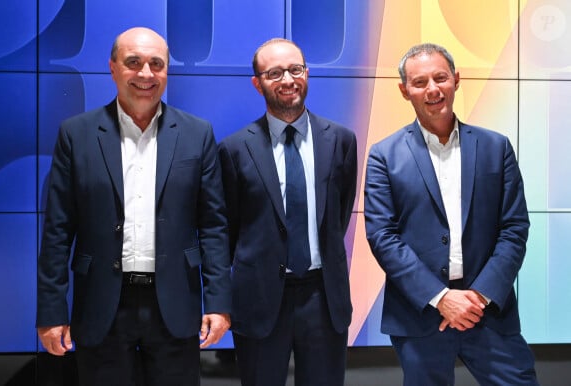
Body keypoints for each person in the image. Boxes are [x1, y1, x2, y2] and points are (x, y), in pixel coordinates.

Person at [36, 27, 232, 386]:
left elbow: (214, 227)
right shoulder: (76, 134)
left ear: (167, 71)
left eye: (156, 64)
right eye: (134, 62)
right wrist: (51, 310)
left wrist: (218, 302)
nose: (146, 74)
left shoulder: (197, 134)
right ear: (112, 68)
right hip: (102, 303)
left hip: (174, 301)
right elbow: (57, 231)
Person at [364, 42, 539, 385]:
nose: (432, 89)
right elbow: (383, 236)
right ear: (404, 90)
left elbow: (514, 227)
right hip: (420, 313)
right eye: (420, 82)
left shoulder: (495, 147)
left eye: (440, 78)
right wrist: (441, 298)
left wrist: (477, 296)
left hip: (486, 311)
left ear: (456, 80)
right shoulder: (384, 155)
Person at [218, 38, 358, 386]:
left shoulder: (341, 140)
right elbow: (227, 230)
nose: (288, 80)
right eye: (275, 72)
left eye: (295, 69)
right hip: (260, 299)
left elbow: (338, 217)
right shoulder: (234, 149)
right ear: (258, 82)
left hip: (323, 298)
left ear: (307, 73)